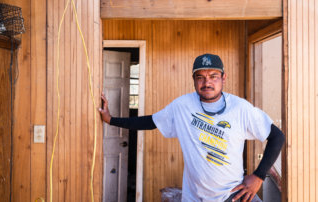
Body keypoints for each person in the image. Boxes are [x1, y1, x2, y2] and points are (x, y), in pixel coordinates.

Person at [99, 53, 285, 202]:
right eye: (200, 77)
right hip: (195, 197)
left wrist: (259, 177)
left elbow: (277, 137)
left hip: (233, 194)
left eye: (213, 76)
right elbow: (150, 122)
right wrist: (110, 119)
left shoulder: (240, 108)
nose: (207, 83)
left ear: (223, 78)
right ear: (194, 80)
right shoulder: (182, 106)